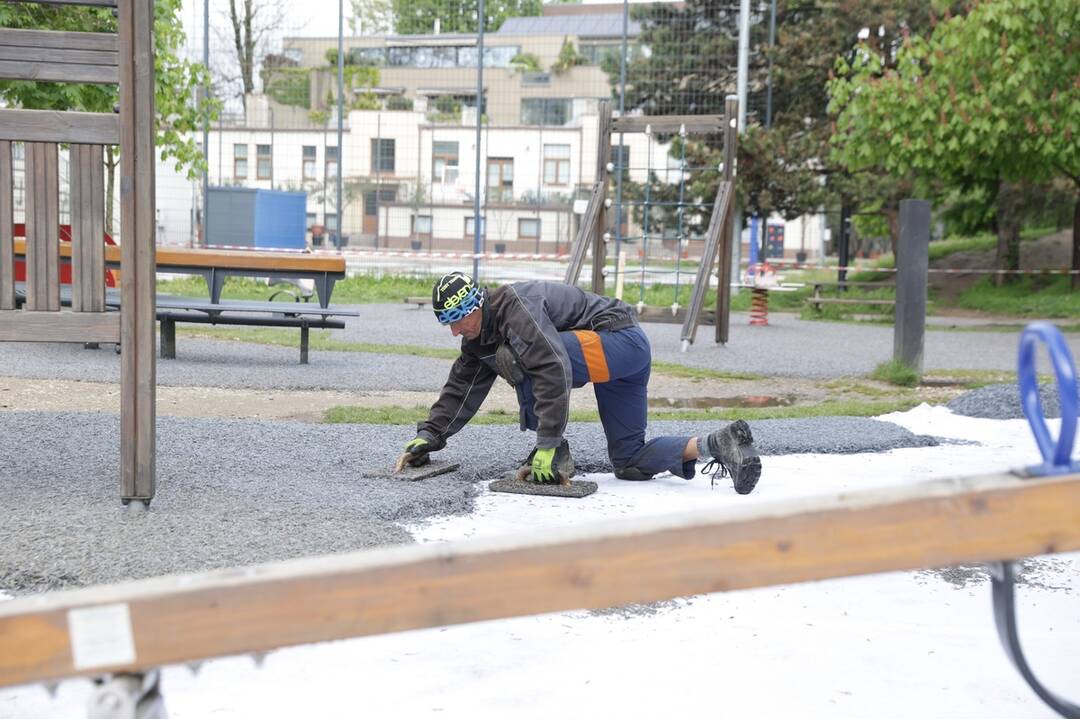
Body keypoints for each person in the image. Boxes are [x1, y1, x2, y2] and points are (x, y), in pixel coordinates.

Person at [399, 272, 761, 493]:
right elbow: (462, 386)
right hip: (624, 358)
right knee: (629, 462)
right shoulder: (479, 335)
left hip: (618, 340)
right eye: (448, 322)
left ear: (479, 304)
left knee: (522, 355)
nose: (455, 330)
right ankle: (719, 444)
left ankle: (555, 454)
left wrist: (548, 442)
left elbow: (553, 367)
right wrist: (431, 434)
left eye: (460, 319)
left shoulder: (514, 308)